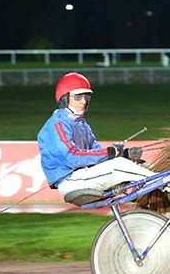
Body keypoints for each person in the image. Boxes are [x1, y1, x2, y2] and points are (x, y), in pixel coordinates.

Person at [37, 72, 155, 203]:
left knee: (135, 164)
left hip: (84, 175)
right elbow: (72, 157)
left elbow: (98, 154)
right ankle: (162, 182)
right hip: (70, 181)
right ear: (65, 99)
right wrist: (111, 153)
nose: (83, 101)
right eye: (78, 97)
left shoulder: (81, 124)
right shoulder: (57, 124)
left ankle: (150, 197)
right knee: (119, 165)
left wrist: (125, 154)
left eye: (86, 96)